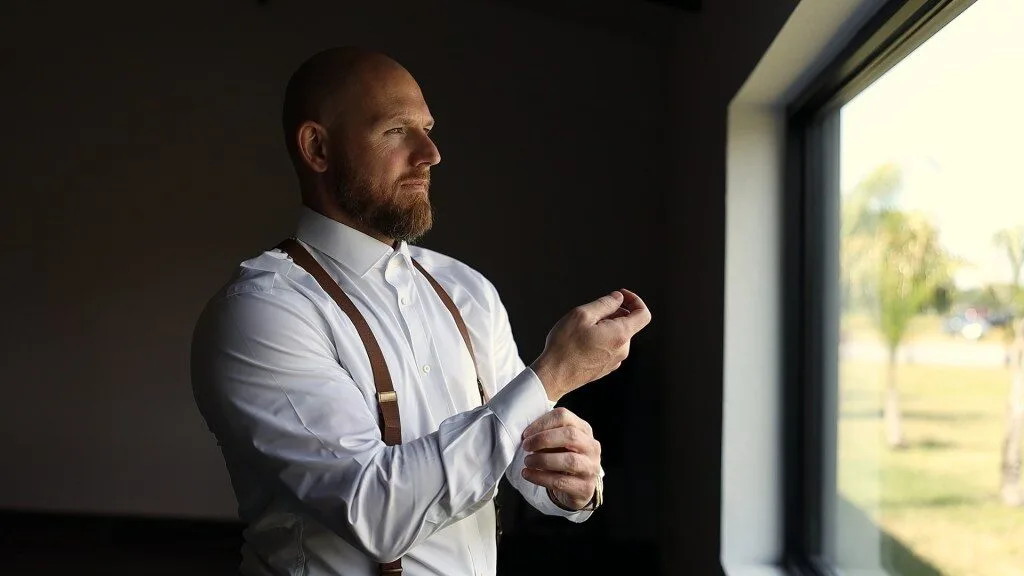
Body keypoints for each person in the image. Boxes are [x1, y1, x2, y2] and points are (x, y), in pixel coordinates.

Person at [189, 46, 652, 576]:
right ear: (317, 147)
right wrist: (554, 373)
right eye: (395, 131)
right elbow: (375, 514)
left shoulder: (467, 290)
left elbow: (519, 457)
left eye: (428, 128)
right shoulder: (262, 311)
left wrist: (571, 481)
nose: (430, 153)